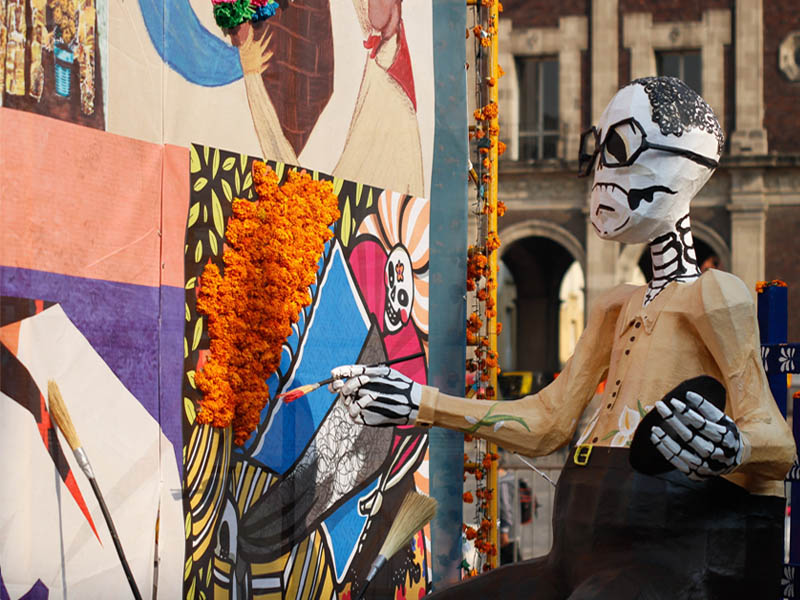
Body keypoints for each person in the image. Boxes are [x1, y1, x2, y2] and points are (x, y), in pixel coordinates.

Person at [329, 77, 796, 598]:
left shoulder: (717, 295)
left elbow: (776, 442)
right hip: (574, 562)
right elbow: (547, 422)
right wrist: (420, 402)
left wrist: (733, 446)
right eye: (599, 149)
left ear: (682, 165)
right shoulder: (616, 304)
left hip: (664, 562)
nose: (601, 172)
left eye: (619, 148)